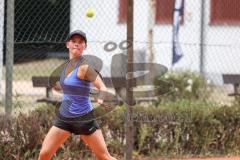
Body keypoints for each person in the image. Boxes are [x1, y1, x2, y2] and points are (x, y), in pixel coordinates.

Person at [38, 30, 117, 160]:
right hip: (64, 118)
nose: (76, 44)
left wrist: (101, 96)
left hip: (83, 119)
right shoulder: (65, 67)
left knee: (104, 157)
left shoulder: (85, 67)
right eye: (73, 41)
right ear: (67, 44)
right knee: (44, 154)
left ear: (85, 46)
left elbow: (102, 87)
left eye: (80, 42)